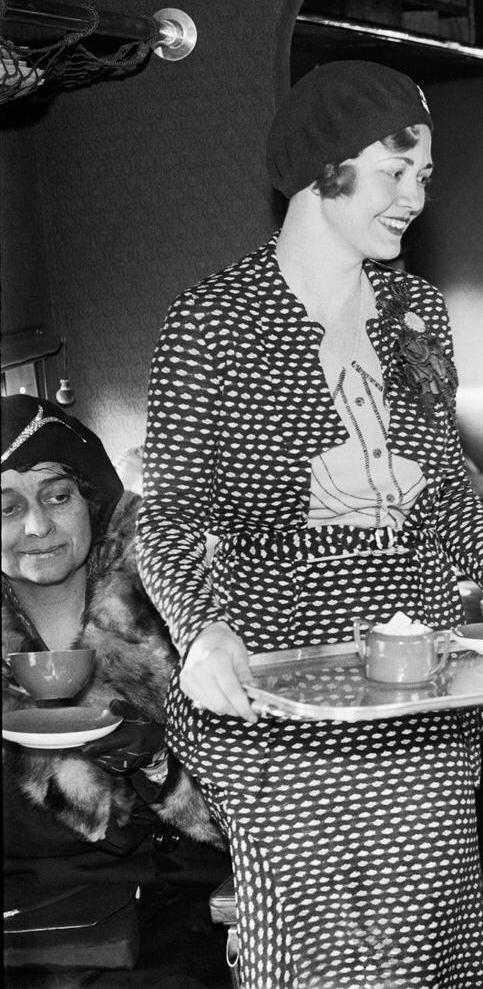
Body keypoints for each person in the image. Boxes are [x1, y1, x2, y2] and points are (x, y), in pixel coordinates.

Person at [137, 60, 483, 989]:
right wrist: (200, 630)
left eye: (424, 175)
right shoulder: (212, 321)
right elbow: (164, 516)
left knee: (426, 934)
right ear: (321, 168)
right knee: (326, 953)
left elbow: (448, 505)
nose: (415, 195)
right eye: (393, 171)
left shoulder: (419, 313)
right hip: (276, 685)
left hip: (417, 678)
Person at [3, 395, 230, 987]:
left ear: (91, 498)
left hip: (168, 899)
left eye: (57, 496)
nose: (36, 527)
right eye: (6, 507)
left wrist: (154, 764)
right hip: (24, 913)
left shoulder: (181, 607)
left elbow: (266, 798)